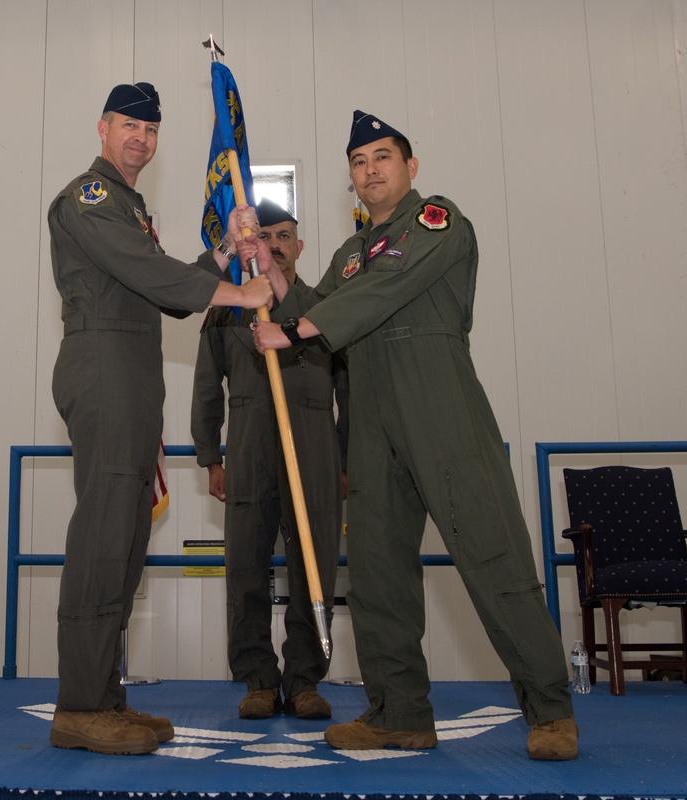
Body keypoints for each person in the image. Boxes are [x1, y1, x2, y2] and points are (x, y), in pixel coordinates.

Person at [247, 111, 578, 760]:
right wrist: (275, 274)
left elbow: (382, 293)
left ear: (410, 167)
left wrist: (292, 332)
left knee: (493, 558)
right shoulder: (348, 255)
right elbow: (321, 312)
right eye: (359, 162)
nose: (370, 170)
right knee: (375, 574)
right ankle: (399, 714)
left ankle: (550, 711)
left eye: (382, 157)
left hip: (441, 411)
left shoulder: (438, 224)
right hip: (369, 421)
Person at [46, 81, 272, 756]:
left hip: (133, 375)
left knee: (125, 544)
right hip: (104, 364)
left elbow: (159, 278)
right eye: (128, 126)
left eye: (150, 129)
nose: (140, 138)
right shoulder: (87, 199)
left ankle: (105, 697)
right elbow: (147, 272)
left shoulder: (129, 207)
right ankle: (80, 706)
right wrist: (235, 288)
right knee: (103, 538)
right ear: (103, 128)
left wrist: (226, 253)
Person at [191, 198, 348, 720]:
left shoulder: (326, 305)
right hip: (252, 447)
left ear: (299, 246)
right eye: (267, 236)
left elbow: (349, 387)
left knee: (313, 564)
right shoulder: (229, 305)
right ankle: (258, 679)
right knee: (246, 567)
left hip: (314, 448)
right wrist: (212, 456)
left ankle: (304, 680)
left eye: (284, 237)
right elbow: (207, 384)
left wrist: (346, 458)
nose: (275, 245)